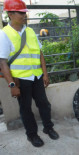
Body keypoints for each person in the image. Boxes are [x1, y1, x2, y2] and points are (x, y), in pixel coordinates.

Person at [0, 0, 59, 147]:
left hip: (37, 76)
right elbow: (2, 63)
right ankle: (32, 135)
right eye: (20, 12)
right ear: (10, 14)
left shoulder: (30, 31)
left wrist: (45, 74)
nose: (23, 15)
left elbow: (39, 53)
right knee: (26, 109)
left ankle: (48, 127)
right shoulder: (4, 34)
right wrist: (12, 84)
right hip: (21, 79)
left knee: (44, 104)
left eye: (24, 12)